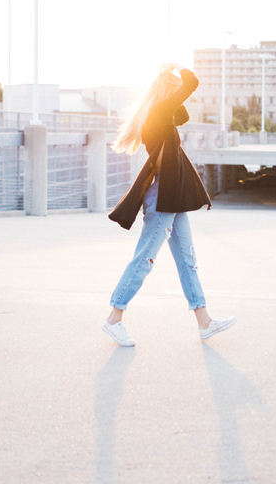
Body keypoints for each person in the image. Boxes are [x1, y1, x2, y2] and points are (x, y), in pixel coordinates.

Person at [102, 62, 236, 346]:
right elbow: (193, 83)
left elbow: (183, 114)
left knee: (188, 261)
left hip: (172, 199)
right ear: (167, 92)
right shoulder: (158, 113)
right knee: (144, 260)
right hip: (162, 198)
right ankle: (114, 318)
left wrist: (172, 86)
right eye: (175, 92)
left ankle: (204, 322)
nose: (180, 97)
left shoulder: (164, 115)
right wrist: (179, 70)